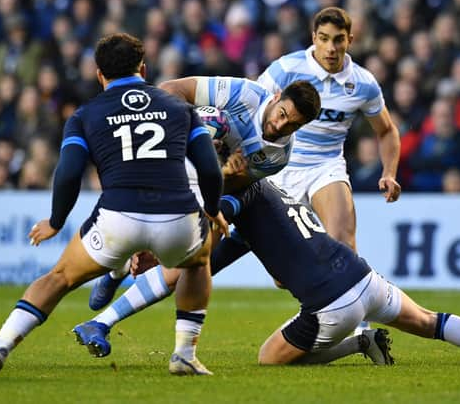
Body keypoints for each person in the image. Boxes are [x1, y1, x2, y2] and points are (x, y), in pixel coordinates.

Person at [76, 170, 460, 366]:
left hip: (332, 306)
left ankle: (356, 344)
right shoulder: (272, 196)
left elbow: (197, 250)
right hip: (365, 278)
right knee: (430, 322)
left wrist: (158, 245)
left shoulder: (238, 194)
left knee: (268, 358)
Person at [0, 33, 228, 378]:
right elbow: (208, 167)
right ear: (143, 68)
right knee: (197, 261)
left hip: (117, 217)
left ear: (99, 74)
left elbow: (68, 173)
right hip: (175, 217)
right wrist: (213, 207)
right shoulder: (181, 109)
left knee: (58, 278)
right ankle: (184, 354)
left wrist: (55, 221)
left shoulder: (85, 114)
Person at [87, 75, 321, 310]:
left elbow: (231, 189)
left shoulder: (278, 156)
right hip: (170, 153)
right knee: (133, 225)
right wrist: (195, 131)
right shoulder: (243, 94)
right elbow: (170, 89)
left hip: (205, 184)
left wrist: (227, 172)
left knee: (185, 258)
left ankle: (121, 281)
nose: (280, 127)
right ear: (277, 97)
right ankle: (116, 273)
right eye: (282, 114)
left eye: (293, 125)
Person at [257, 6, 401, 253]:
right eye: (324, 39)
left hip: (326, 167)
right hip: (280, 168)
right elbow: (251, 107)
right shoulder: (285, 69)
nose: (331, 48)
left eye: (338, 40)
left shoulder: (363, 84)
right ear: (314, 38)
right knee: (283, 274)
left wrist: (389, 173)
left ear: (350, 40)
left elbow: (386, 131)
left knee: (343, 247)